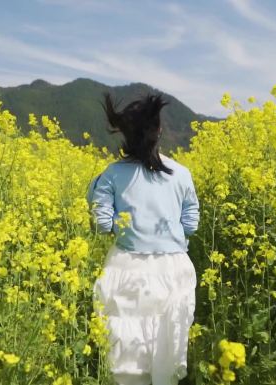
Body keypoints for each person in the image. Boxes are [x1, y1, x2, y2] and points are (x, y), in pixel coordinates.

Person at [86, 92, 200, 385]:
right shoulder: (182, 173)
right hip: (174, 268)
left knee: (127, 351)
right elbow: (191, 223)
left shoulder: (111, 174)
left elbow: (101, 224)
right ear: (159, 130)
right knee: (167, 342)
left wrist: (125, 227)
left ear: (124, 132)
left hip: (127, 267)